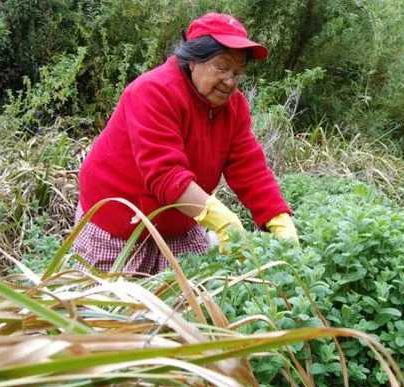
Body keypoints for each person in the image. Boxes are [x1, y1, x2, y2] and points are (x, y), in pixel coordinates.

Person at [74, 12, 298, 275]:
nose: (230, 82)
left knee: (188, 305)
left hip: (179, 222)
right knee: (114, 311)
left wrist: (277, 217)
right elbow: (165, 174)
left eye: (238, 73)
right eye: (222, 68)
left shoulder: (233, 106)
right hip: (119, 227)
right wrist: (223, 222)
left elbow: (249, 168)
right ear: (193, 59)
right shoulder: (153, 92)